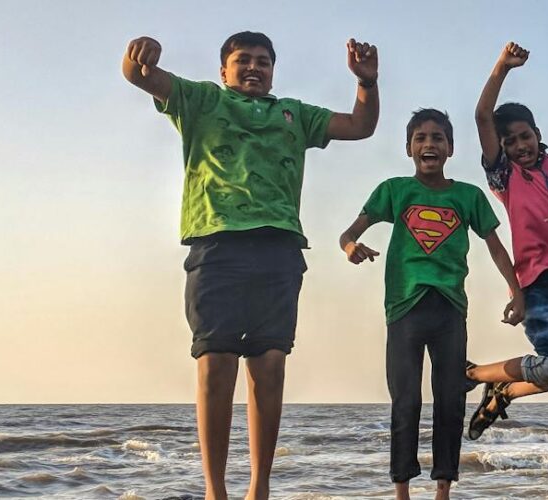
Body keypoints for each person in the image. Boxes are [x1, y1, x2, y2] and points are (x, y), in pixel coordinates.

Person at [122, 32, 379, 499]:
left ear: (274, 70)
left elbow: (361, 125)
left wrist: (367, 83)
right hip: (216, 244)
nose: (254, 68)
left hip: (279, 247)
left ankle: (259, 488)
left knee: (270, 364)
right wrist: (138, 53)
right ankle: (215, 490)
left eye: (263, 61)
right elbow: (139, 76)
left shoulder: (295, 114)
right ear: (224, 70)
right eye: (243, 61)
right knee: (215, 362)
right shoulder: (200, 100)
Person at [338, 110, 525, 499]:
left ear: (450, 148)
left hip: (450, 307)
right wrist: (351, 247)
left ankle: (443, 487)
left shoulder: (468, 196)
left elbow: (494, 245)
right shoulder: (394, 190)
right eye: (420, 138)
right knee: (405, 399)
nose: (429, 144)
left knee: (450, 399)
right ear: (409, 148)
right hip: (404, 307)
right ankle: (402, 489)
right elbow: (351, 231)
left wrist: (516, 290)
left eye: (438, 138)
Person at [462, 42, 548, 440]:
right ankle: (472, 373)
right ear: (501, 150)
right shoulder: (507, 178)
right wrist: (502, 66)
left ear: (538, 133)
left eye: (525, 137)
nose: (520, 146)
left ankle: (503, 394)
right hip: (533, 281)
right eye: (511, 143)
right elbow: (483, 116)